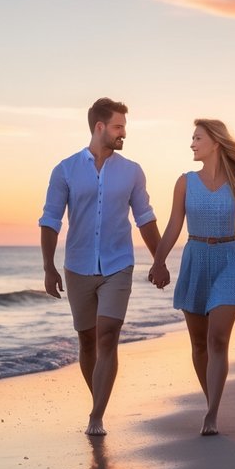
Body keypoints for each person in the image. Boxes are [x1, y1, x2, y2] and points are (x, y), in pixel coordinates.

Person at [40, 98, 161, 435]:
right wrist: (49, 267)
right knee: (88, 341)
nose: (124, 133)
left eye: (124, 126)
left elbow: (145, 218)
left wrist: (160, 259)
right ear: (100, 127)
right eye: (119, 126)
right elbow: (50, 220)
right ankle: (101, 401)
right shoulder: (65, 170)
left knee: (108, 336)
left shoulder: (131, 171)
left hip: (118, 264)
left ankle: (96, 416)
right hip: (77, 266)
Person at [149, 119, 235, 435]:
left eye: (197, 138)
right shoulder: (185, 182)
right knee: (199, 343)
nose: (192, 144)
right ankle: (211, 401)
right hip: (195, 259)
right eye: (192, 138)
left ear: (215, 142)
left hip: (229, 260)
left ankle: (212, 415)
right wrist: (159, 260)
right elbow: (174, 225)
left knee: (218, 338)